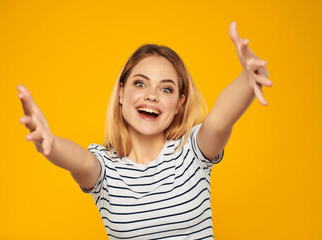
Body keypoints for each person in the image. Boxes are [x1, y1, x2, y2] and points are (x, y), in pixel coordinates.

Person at [17, 22, 272, 239]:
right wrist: (49, 143)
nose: (151, 96)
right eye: (140, 84)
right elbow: (79, 162)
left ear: (179, 104)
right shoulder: (105, 168)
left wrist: (248, 80)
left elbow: (218, 121)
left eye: (166, 89)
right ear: (121, 93)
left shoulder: (193, 150)